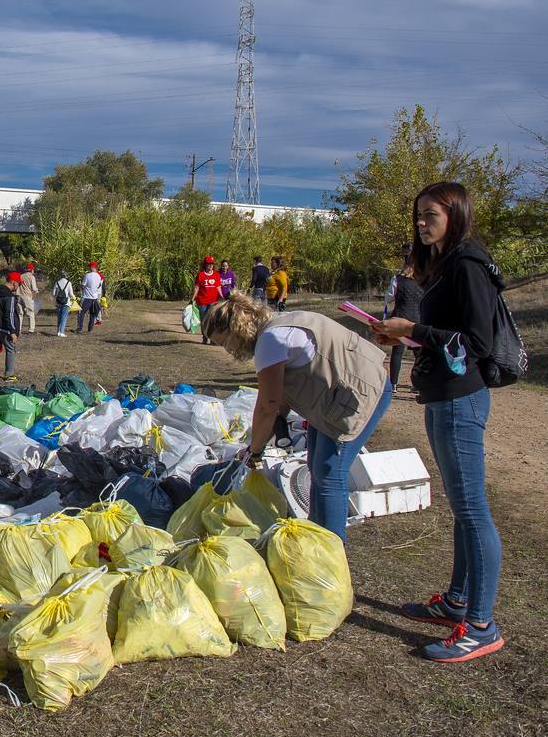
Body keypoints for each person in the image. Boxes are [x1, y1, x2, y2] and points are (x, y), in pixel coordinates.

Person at [371, 181, 505, 662]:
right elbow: (440, 338)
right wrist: (400, 337)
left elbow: (477, 342)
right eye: (419, 216)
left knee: (473, 511)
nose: (422, 224)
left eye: (431, 215)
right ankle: (457, 600)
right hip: (441, 397)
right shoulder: (447, 264)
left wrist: (415, 330)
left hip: (460, 400)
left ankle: (482, 626)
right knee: (462, 508)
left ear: (456, 214)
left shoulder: (468, 264)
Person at [203, 291, 392, 541]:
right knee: (316, 466)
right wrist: (259, 441)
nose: (227, 350)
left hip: (361, 395)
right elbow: (280, 398)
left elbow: (267, 405)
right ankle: (317, 536)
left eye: (223, 342)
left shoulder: (270, 341)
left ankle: (332, 548)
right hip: (335, 399)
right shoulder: (278, 325)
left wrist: (256, 449)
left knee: (328, 472)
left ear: (235, 330)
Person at [381, 254, 423, 386]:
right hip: (417, 319)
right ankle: (417, 384)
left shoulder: (397, 279)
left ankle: (393, 384)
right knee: (419, 353)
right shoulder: (424, 280)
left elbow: (388, 298)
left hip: (399, 318)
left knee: (397, 352)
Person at [192, 255, 222, 345]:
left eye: (211, 264)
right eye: (208, 264)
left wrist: (222, 296)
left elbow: (218, 287)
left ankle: (212, 339)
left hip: (213, 301)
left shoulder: (216, 275)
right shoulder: (200, 275)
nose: (210, 266)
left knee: (212, 320)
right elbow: (196, 288)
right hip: (202, 301)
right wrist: (192, 299)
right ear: (205, 265)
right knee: (204, 320)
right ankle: (205, 337)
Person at [78, 262, 104, 332]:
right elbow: (98, 286)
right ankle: (90, 329)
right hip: (94, 298)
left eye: (89, 267)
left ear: (92, 267)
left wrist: (79, 287)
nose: (88, 268)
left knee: (81, 313)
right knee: (92, 314)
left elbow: (83, 285)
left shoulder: (87, 275)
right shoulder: (99, 276)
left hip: (87, 297)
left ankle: (80, 328)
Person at [52, 269, 75, 336]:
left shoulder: (57, 282)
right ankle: (61, 332)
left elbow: (53, 293)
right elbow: (71, 294)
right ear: (66, 275)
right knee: (64, 317)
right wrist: (74, 298)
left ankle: (58, 331)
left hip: (58, 302)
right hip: (66, 302)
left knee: (59, 317)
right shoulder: (69, 283)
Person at [18, 263, 39, 333]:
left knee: (20, 313)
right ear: (32, 270)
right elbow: (34, 288)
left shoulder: (21, 276)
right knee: (30, 312)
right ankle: (31, 329)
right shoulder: (31, 277)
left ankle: (18, 329)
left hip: (18, 295)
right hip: (27, 296)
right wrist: (37, 291)